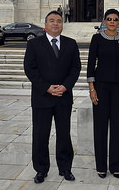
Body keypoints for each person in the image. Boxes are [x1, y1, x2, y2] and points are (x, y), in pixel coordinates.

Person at [24, 11, 81, 184]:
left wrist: (65, 86)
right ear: (45, 24)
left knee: (64, 135)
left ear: (62, 24)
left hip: (63, 97)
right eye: (52, 21)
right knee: (41, 135)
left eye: (58, 21)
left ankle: (65, 168)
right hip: (42, 97)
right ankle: (41, 169)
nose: (55, 24)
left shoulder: (71, 44)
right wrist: (47, 88)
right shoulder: (34, 44)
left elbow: (75, 68)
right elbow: (30, 69)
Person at [87, 9, 119, 179]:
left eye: (115, 19)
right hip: (100, 88)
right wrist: (92, 89)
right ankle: (101, 166)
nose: (112, 22)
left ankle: (115, 166)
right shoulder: (97, 39)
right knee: (100, 127)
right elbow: (91, 64)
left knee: (117, 127)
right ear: (104, 21)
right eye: (109, 19)